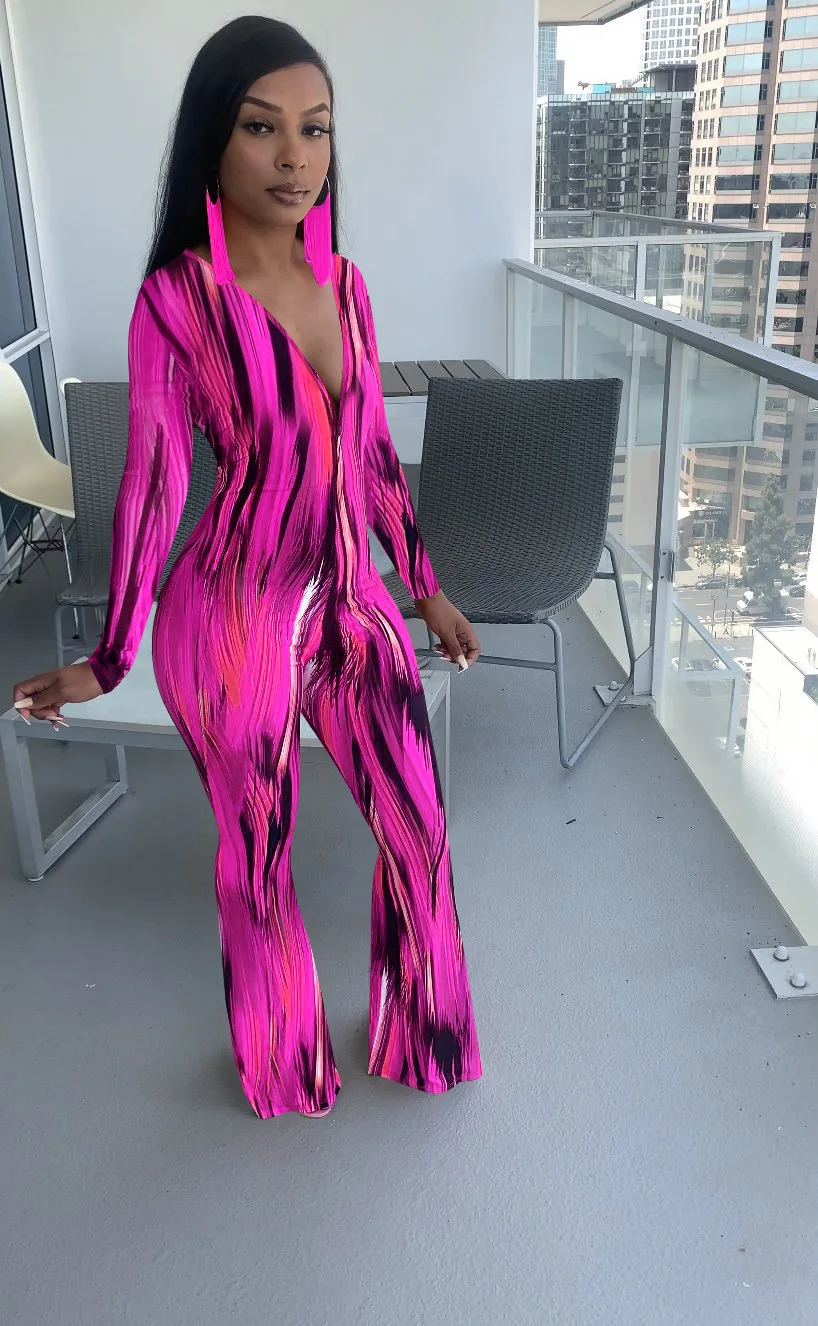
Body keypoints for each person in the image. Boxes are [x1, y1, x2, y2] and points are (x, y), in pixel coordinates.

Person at [12, 16, 482, 1119]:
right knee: (259, 854)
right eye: (261, 127)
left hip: (353, 604)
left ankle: (423, 1031)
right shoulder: (177, 301)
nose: (294, 156)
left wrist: (422, 586)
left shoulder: (346, 286)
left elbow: (370, 454)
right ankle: (283, 1063)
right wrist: (109, 655)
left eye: (316, 129)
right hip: (231, 614)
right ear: (211, 144)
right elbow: (153, 485)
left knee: (420, 829)